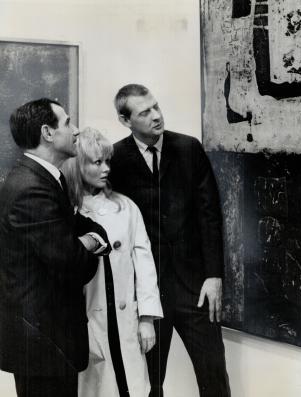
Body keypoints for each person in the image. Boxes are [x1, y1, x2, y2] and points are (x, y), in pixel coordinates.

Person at [110, 84, 231, 397]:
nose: (156, 116)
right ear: (126, 121)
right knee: (149, 384)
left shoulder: (189, 148)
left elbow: (210, 216)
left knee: (214, 375)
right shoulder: (116, 159)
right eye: (144, 112)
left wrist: (214, 275)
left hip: (196, 288)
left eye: (156, 107)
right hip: (148, 294)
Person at [0, 98, 110, 397]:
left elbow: (84, 230)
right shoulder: (30, 188)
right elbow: (73, 264)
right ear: (47, 133)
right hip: (43, 345)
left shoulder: (45, 179)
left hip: (48, 342)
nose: (76, 131)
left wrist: (86, 240)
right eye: (68, 123)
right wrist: (86, 244)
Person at [63, 127, 163, 397]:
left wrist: (146, 319)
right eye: (97, 162)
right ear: (77, 164)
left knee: (133, 386)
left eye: (108, 160)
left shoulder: (126, 207)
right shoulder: (66, 212)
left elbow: (145, 265)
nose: (106, 168)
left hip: (126, 321)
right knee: (96, 387)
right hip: (87, 324)